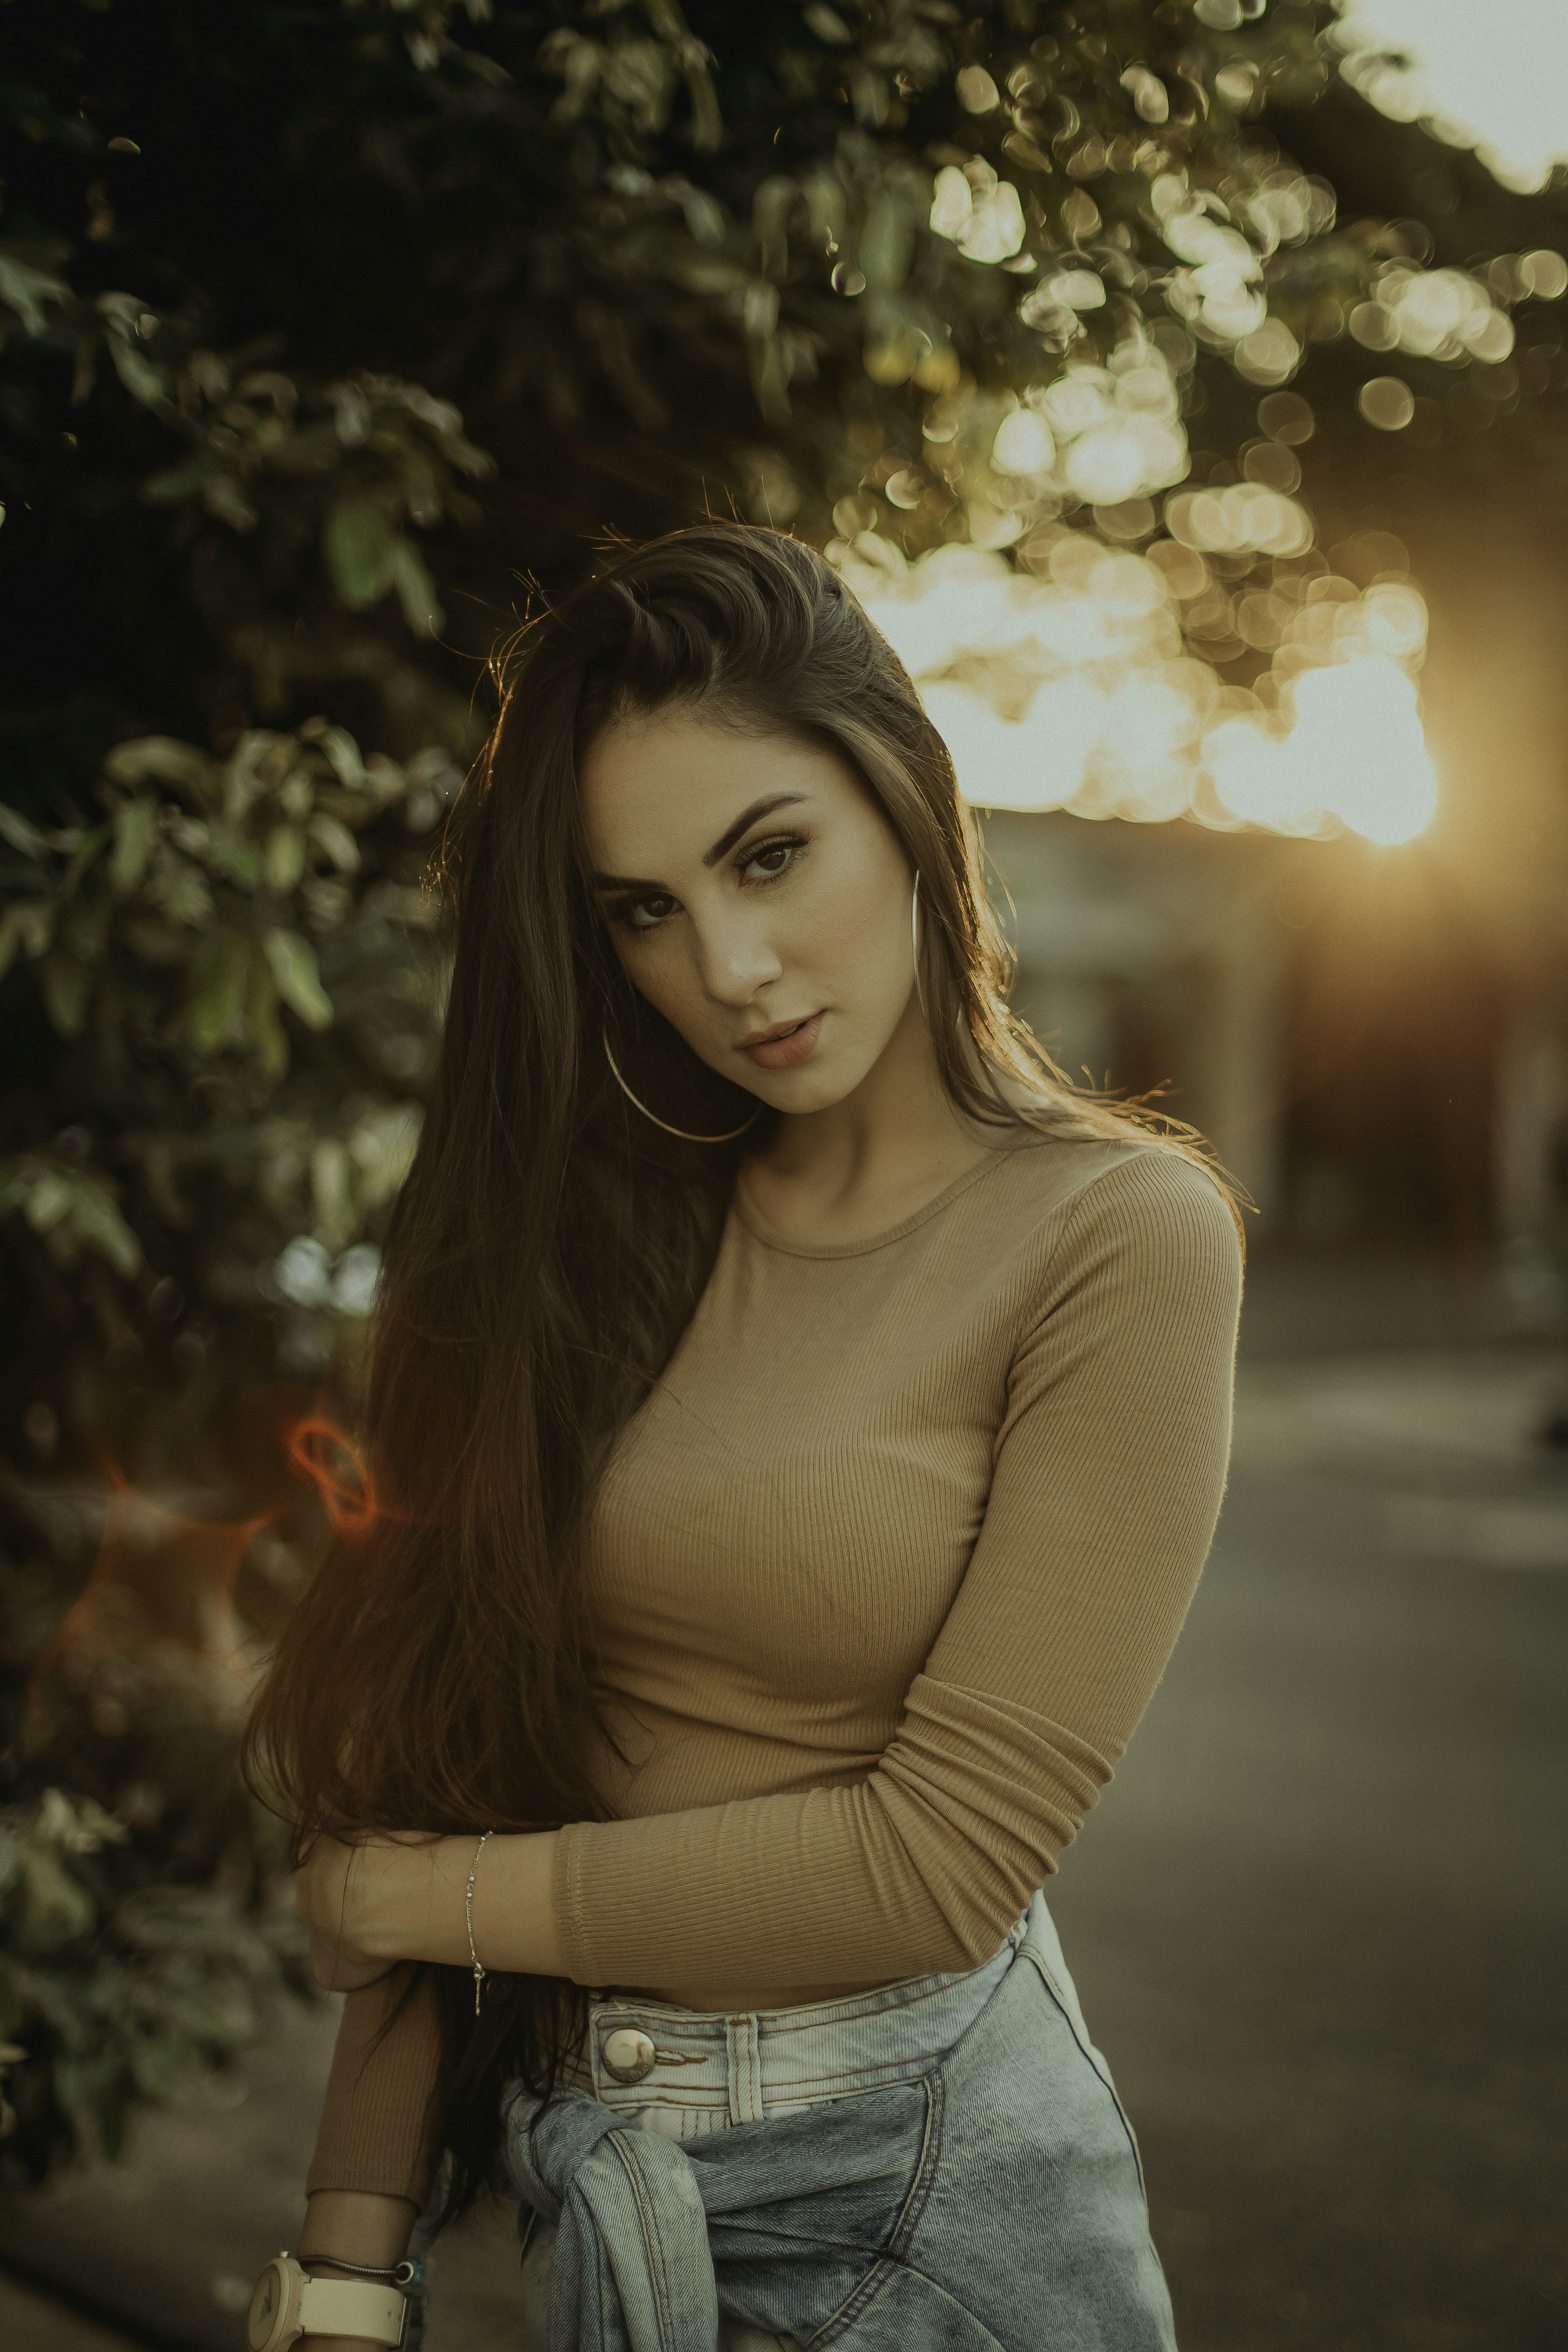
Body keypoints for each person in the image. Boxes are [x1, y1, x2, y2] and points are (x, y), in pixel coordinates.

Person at [246, 524, 1243, 2352]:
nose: (733, 966)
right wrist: (343, 2266)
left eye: (770, 856)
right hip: (611, 2204)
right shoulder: (591, 1232)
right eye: (642, 909)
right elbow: (455, 1728)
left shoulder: (1118, 1237)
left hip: (924, 2202)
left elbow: (942, 1865)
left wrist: (424, 1898)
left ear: (907, 797)